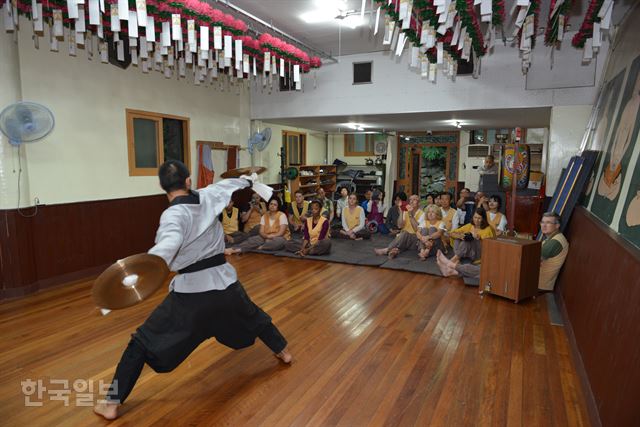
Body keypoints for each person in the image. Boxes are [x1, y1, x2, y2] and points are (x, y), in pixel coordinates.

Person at [93, 161, 291, 421]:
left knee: (140, 343)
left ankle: (111, 403)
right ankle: (284, 351)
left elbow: (168, 245)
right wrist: (248, 179)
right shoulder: (209, 194)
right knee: (254, 315)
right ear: (188, 181)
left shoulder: (173, 216)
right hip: (225, 286)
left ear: (162, 187)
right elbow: (231, 184)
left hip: (191, 297)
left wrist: (134, 276)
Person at [436, 207, 495, 277]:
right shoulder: (470, 225)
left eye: (479, 218)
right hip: (467, 253)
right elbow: (451, 233)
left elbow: (490, 247)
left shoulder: (488, 229)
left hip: (479, 254)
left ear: (483, 219)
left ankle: (450, 261)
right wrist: (460, 236)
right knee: (459, 239)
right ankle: (456, 262)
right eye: (475, 217)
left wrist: (479, 239)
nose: (477, 220)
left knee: (469, 239)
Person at [375, 194, 425, 258]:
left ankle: (387, 249)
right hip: (404, 238)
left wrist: (410, 215)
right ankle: (394, 251)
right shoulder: (405, 212)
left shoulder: (422, 214)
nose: (411, 201)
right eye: (410, 200)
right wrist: (401, 212)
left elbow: (417, 230)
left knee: (405, 233)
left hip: (415, 240)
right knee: (402, 235)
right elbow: (399, 226)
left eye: (414, 200)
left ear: (419, 203)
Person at [538, 212, 569, 291]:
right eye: (542, 222)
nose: (544, 225)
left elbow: (532, 260)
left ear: (557, 226)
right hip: (535, 281)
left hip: (539, 285)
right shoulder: (552, 238)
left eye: (548, 223)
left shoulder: (555, 242)